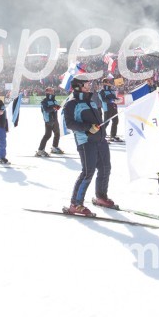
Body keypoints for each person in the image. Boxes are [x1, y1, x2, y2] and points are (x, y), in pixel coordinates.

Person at [63, 77, 113, 216]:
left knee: (105, 168)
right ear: (78, 86)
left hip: (100, 140)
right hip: (86, 141)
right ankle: (75, 204)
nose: (89, 85)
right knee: (87, 172)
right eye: (86, 84)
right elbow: (70, 124)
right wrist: (87, 128)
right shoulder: (71, 104)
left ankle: (101, 197)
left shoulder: (90, 101)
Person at [36, 87, 62, 156]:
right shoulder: (44, 101)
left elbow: (55, 109)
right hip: (48, 120)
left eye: (52, 91)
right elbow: (46, 110)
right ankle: (40, 150)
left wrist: (57, 107)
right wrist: (54, 108)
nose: (52, 92)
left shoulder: (54, 100)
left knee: (57, 133)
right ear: (46, 92)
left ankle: (54, 147)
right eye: (50, 91)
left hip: (55, 120)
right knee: (48, 135)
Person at [98, 77, 122, 142]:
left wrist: (118, 99)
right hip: (107, 109)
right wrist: (112, 100)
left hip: (114, 107)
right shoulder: (101, 91)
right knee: (106, 122)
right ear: (104, 83)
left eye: (109, 82)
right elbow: (104, 100)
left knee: (116, 121)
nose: (109, 83)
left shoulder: (112, 90)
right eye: (107, 82)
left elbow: (114, 98)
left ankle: (113, 136)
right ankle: (100, 136)